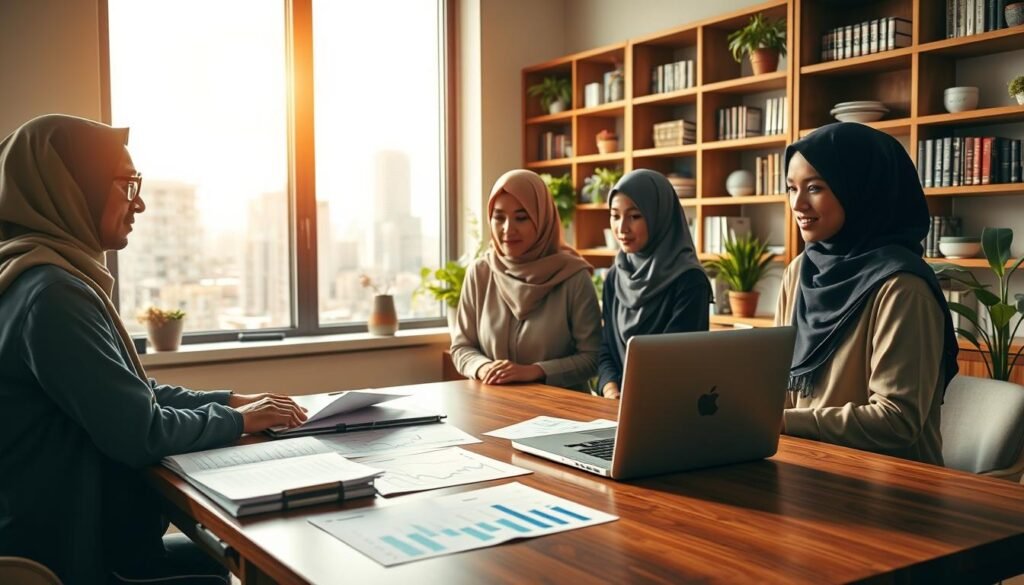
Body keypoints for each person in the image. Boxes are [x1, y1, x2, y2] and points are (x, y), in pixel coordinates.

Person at [0, 114, 308, 584]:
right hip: (64, 555)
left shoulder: (35, 273)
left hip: (62, 531)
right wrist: (240, 421)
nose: (138, 203)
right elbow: (138, 432)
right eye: (125, 185)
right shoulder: (51, 293)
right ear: (72, 189)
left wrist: (226, 401)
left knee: (218, 561)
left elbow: (128, 392)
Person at [776, 122, 959, 465]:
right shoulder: (799, 272)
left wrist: (785, 422)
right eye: (791, 188)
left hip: (890, 486)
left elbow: (896, 421)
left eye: (814, 187)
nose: (798, 204)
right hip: (806, 465)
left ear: (860, 189)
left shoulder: (902, 287)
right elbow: (776, 383)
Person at [450, 169, 601, 392]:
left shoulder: (574, 277)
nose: (508, 229)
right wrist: (484, 368)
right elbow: (461, 347)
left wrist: (533, 371)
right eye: (499, 218)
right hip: (495, 405)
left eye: (521, 218)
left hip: (562, 412)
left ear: (542, 220)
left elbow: (592, 358)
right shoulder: (480, 273)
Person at [597, 169, 711, 399]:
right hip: (617, 403)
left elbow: (675, 360)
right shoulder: (614, 277)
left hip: (670, 404)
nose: (621, 228)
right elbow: (605, 347)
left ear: (659, 215)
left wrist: (631, 396)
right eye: (615, 215)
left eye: (635, 216)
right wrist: (611, 390)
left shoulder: (689, 280)